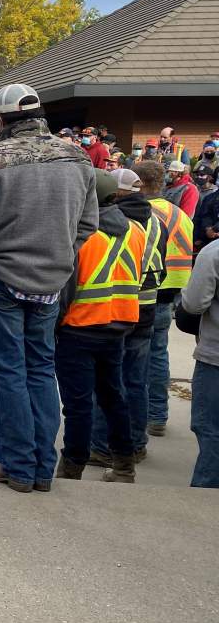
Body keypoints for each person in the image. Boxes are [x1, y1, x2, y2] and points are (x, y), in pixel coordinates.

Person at [0, 83, 97, 494]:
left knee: (9, 372)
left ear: (2, 120)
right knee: (41, 370)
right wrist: (60, 253)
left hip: (3, 278)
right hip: (53, 281)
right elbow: (87, 224)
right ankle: (43, 468)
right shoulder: (77, 157)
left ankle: (18, 467)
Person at [52, 172, 144, 483]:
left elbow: (66, 289)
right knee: (113, 396)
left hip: (80, 327)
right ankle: (124, 465)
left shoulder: (82, 234)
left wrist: (54, 325)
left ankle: (72, 466)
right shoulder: (136, 231)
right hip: (119, 324)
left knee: (78, 404)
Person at [88, 166, 166, 467]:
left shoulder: (113, 222)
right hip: (147, 306)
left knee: (107, 382)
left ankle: (101, 446)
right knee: (136, 380)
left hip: (116, 305)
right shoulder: (157, 222)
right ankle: (135, 443)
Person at [143, 160, 194, 437]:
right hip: (171, 291)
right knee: (159, 355)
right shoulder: (179, 215)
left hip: (147, 289)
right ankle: (158, 416)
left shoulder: (145, 213)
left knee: (135, 359)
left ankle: (138, 418)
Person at [180, 233, 219, 487]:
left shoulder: (213, 253)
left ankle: (206, 492)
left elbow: (194, 304)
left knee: (212, 431)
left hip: (215, 358)